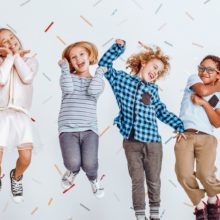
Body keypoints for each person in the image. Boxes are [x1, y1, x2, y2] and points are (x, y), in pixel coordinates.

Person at [98, 39, 185, 220]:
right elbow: (104, 65)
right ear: (143, 63)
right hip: (131, 143)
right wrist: (118, 48)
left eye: (159, 72)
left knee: (154, 180)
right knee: (137, 180)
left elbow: (161, 111)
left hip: (153, 142)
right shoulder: (122, 80)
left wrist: (179, 125)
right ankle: (140, 217)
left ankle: (154, 216)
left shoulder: (152, 90)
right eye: (154, 67)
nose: (155, 73)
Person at [175, 55, 220, 220]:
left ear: (218, 74)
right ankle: (199, 205)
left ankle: (214, 199)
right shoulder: (194, 79)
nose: (204, 72)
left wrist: (205, 104)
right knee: (183, 174)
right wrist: (218, 87)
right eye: (202, 67)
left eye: (210, 70)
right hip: (185, 135)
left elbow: (217, 122)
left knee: (205, 173)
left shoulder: (219, 97)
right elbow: (202, 91)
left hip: (207, 137)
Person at [58, 41, 105, 198]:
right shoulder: (67, 77)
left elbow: (92, 91)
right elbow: (68, 89)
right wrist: (64, 68)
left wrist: (99, 73)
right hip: (67, 129)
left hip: (89, 130)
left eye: (81, 54)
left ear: (90, 55)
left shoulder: (97, 81)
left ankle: (93, 179)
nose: (78, 59)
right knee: (73, 163)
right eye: (73, 57)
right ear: (69, 62)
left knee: (90, 165)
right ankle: (72, 171)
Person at [0, 28, 38, 203]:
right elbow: (1, 79)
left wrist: (16, 57)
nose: (10, 42)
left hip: (20, 114)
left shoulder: (30, 60)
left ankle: (16, 177)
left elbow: (27, 77)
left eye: (11, 37)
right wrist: (9, 57)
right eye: (4, 41)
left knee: (26, 157)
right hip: (1, 113)